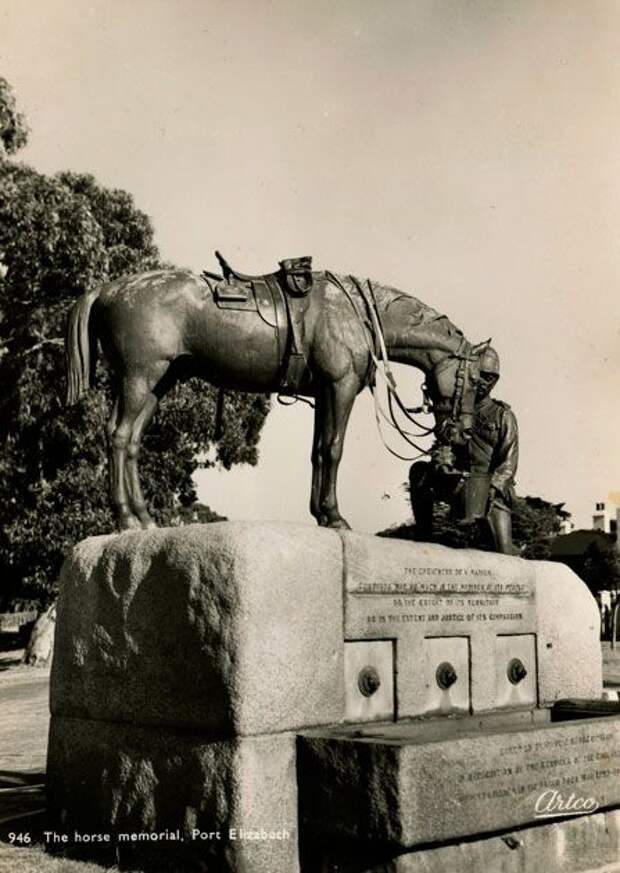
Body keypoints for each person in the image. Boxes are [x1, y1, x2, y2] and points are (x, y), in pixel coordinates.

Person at [409, 346, 519, 554]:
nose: (482, 382)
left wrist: (494, 487)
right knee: (419, 471)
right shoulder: (455, 412)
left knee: (505, 555)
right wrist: (442, 462)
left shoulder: (502, 415)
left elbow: (508, 462)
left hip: (489, 490)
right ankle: (424, 536)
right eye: (479, 376)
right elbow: (443, 445)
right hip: (457, 483)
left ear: (495, 380)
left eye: (488, 377)